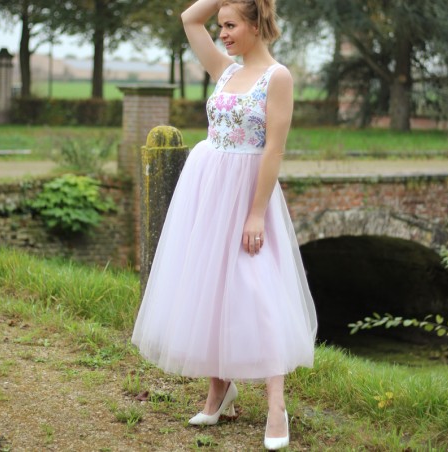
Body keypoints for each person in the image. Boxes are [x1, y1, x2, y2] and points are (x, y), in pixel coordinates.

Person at [132, 0, 317, 449]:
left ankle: (277, 405)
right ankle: (219, 389)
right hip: (208, 191)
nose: (224, 34)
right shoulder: (226, 70)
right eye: (222, 26)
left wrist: (255, 212)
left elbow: (273, 149)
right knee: (212, 286)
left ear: (257, 24)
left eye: (232, 25)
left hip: (249, 196)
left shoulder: (279, 77)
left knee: (258, 289)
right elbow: (188, 19)